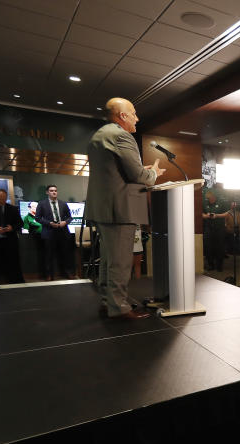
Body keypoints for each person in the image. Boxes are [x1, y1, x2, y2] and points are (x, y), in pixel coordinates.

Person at [86, 97, 163, 320]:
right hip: (120, 210)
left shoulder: (99, 136)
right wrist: (154, 173)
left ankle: (107, 302)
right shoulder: (122, 136)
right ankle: (119, 308)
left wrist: (141, 169)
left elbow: (115, 171)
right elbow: (138, 176)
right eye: (134, 114)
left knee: (109, 260)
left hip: (104, 208)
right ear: (122, 116)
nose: (137, 118)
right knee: (120, 262)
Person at [35, 184, 75, 280]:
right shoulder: (42, 203)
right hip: (49, 232)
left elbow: (70, 217)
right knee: (49, 255)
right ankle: (49, 275)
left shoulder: (63, 203)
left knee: (66, 254)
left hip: (63, 232)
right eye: (51, 190)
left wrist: (65, 222)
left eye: (55, 190)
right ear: (47, 192)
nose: (54, 192)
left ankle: (68, 273)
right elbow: (37, 218)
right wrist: (49, 223)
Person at [202, 188, 228, 271]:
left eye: (211, 197)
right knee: (208, 247)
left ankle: (219, 266)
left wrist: (217, 216)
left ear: (214, 196)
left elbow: (227, 213)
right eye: (208, 197)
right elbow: (201, 213)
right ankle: (210, 265)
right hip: (208, 228)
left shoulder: (221, 202)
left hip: (219, 228)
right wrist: (206, 216)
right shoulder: (205, 203)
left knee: (219, 247)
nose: (210, 199)